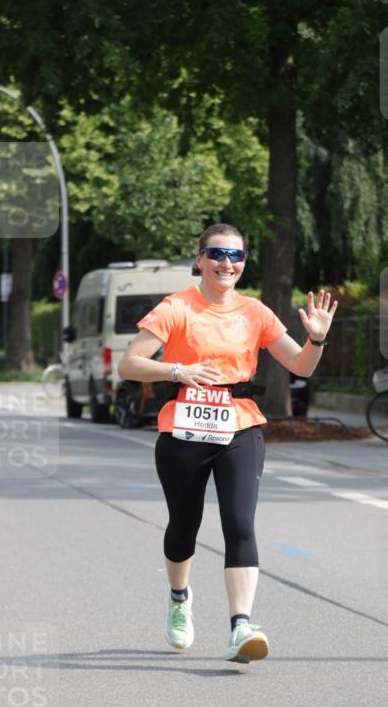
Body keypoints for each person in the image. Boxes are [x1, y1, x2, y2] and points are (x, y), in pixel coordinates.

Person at [118, 223, 337, 663]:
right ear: (199, 259)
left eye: (236, 256)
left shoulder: (255, 313)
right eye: (217, 254)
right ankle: (179, 598)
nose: (227, 264)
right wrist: (178, 371)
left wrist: (317, 337)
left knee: (240, 523)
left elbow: (301, 366)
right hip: (182, 429)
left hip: (239, 428)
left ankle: (241, 626)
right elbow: (129, 364)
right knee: (184, 526)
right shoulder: (176, 307)